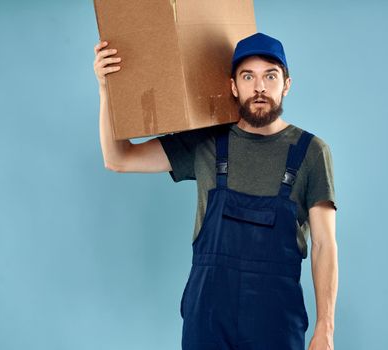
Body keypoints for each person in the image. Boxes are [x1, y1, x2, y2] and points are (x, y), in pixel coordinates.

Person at [94, 32, 338, 350]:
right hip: (207, 318)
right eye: (248, 76)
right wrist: (106, 89)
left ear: (286, 85)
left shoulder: (311, 151)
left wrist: (326, 327)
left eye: (271, 76)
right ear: (234, 86)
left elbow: (324, 245)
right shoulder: (206, 141)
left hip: (275, 320)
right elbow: (119, 158)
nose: (260, 87)